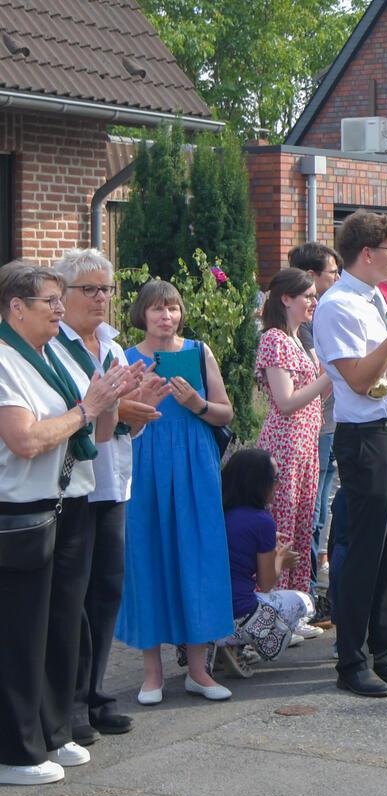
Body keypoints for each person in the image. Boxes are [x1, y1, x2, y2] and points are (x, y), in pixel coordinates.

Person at [0, 262, 142, 785]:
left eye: (63, 300)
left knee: (61, 627)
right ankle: (16, 750)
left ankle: (53, 733)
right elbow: (26, 439)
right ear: (16, 308)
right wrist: (89, 408)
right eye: (49, 302)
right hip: (22, 512)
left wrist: (115, 399)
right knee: (22, 633)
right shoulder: (4, 359)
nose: (61, 310)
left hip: (70, 502)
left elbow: (98, 436)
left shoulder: (50, 356)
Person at [311, 210, 387, 696]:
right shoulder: (338, 305)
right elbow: (359, 378)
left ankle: (385, 650)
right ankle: (352, 659)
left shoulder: (376, 297)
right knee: (363, 552)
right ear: (367, 253)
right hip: (367, 437)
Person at [54, 250, 165, 745]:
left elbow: (120, 425)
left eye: (107, 289)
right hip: (73, 486)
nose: (101, 298)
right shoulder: (54, 348)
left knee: (106, 594)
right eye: (91, 290)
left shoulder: (114, 348)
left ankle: (95, 693)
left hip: (113, 483)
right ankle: (71, 701)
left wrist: (136, 414)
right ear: (64, 294)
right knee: (72, 598)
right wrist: (117, 412)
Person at [117, 279, 235, 704]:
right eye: (157, 309)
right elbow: (118, 421)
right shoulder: (127, 359)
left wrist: (196, 405)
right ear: (142, 314)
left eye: (172, 308)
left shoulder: (199, 352)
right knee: (148, 556)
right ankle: (152, 674)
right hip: (146, 462)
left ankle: (199, 670)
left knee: (197, 556)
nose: (166, 316)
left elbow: (225, 412)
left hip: (194, 463)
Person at [256, 268, 331, 596]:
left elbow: (314, 396)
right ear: (286, 299)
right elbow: (286, 402)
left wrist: (330, 376)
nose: (314, 301)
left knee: (303, 523)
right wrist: (328, 377)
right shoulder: (274, 338)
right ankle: (274, 603)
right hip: (285, 445)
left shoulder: (297, 339)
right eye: (308, 296)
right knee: (283, 526)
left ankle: (296, 601)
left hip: (305, 444)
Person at [219, 448, 318, 674]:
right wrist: (280, 560)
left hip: (200, 616)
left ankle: (220, 651)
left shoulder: (217, 511)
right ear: (257, 483)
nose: (279, 485)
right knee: (305, 602)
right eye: (275, 479)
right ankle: (236, 646)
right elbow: (265, 584)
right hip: (237, 615)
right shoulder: (262, 522)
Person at [289, 242, 342, 589]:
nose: (337, 280)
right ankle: (305, 586)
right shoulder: (299, 328)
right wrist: (337, 371)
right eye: (332, 274)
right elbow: (314, 378)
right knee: (311, 508)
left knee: (321, 503)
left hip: (326, 423)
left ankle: (309, 582)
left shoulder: (319, 315)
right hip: (313, 426)